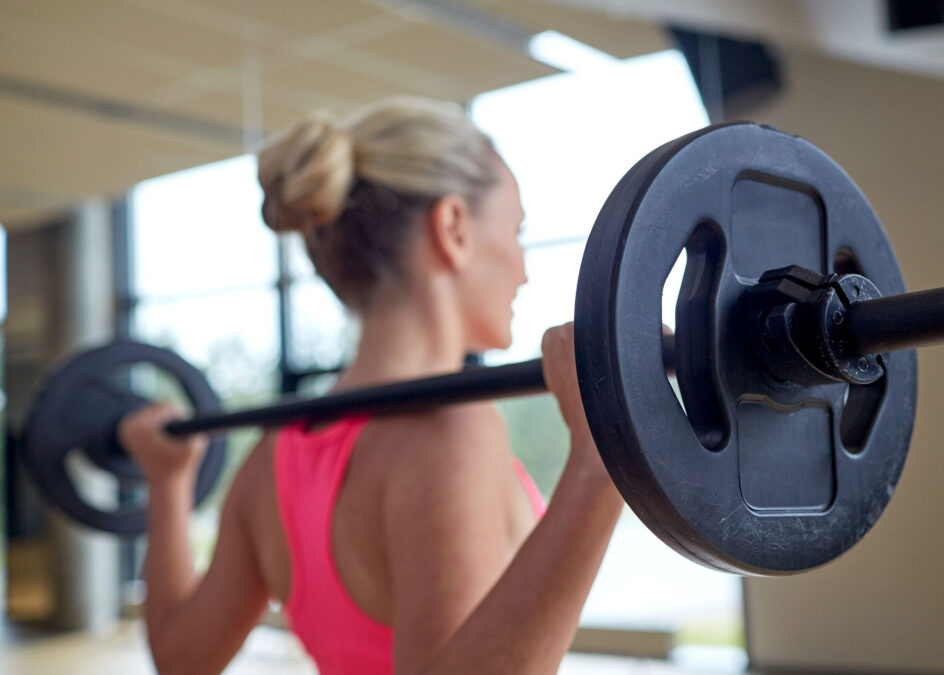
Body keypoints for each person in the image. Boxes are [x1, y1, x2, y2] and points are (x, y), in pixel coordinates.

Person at [119, 97, 625, 675]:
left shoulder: (274, 457)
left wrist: (167, 480)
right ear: (454, 227)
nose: (524, 267)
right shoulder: (450, 434)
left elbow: (181, 657)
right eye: (517, 230)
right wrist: (601, 466)